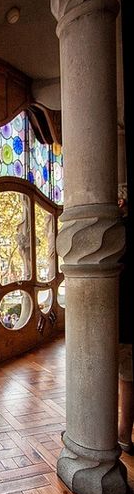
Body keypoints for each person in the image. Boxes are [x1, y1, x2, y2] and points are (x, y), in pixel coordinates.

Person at [117, 185, 134, 454]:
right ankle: (123, 436)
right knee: (128, 379)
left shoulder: (117, 233)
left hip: (116, 319)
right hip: (126, 321)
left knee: (121, 378)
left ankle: (109, 435)